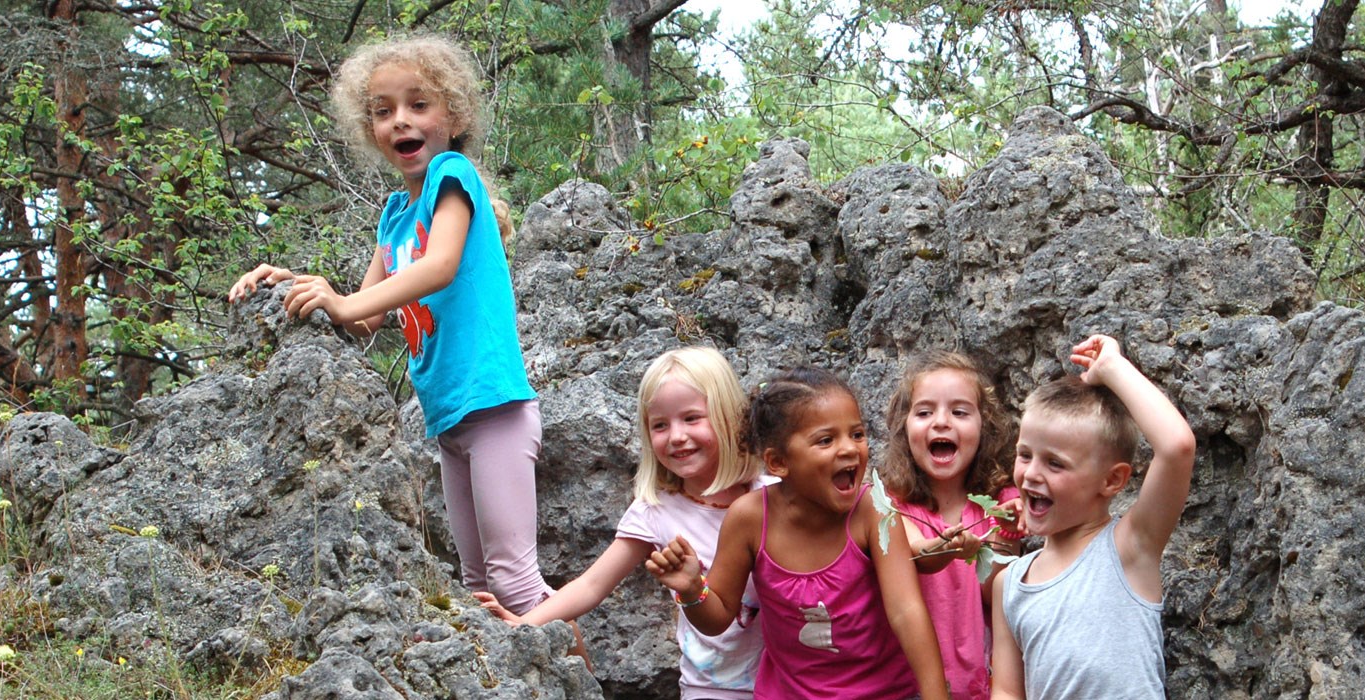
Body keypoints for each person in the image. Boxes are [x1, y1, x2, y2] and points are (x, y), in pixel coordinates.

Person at [226, 35, 553, 613]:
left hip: (494, 406)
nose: (401, 119)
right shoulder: (395, 216)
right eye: (383, 110)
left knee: (516, 582)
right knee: (477, 585)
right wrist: (292, 282)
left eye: (418, 104)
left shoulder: (453, 176)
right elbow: (367, 312)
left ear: (453, 116)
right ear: (370, 129)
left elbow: (442, 264)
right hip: (449, 420)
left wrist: (345, 302)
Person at [646, 368, 950, 700]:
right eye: (826, 440)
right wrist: (692, 590)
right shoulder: (750, 519)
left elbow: (906, 611)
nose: (850, 449)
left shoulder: (872, 511)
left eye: (857, 434)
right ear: (777, 463)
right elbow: (717, 618)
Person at [496, 347, 771, 698]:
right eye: (660, 425)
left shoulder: (773, 495)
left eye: (692, 418)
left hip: (789, 680)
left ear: (730, 418)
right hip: (711, 687)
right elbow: (592, 584)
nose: (676, 436)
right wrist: (522, 622)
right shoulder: (656, 511)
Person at [989, 335, 1197, 700]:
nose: (1032, 474)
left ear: (1112, 480)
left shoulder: (1130, 548)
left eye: (1055, 463)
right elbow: (1006, 690)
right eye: (1025, 455)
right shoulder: (1009, 584)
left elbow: (1177, 447)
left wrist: (1113, 368)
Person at [879, 351, 1023, 700]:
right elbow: (913, 553)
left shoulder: (1000, 502)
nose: (941, 422)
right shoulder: (890, 504)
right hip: (908, 687)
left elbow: (996, 595)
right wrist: (945, 548)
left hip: (980, 683)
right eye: (925, 412)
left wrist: (1003, 532)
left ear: (983, 427)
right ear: (904, 426)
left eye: (959, 412)